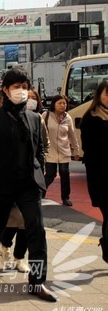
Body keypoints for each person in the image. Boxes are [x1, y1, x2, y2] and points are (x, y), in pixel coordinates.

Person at [0, 68, 57, 302]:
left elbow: (39, 149)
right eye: (16, 87)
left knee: (37, 231)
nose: (21, 91)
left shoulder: (34, 118)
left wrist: (39, 172)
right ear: (5, 89)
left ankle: (37, 282)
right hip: (0, 184)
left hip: (28, 185)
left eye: (24, 86)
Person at [79, 80, 108, 263]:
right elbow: (89, 151)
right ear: (99, 95)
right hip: (101, 177)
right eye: (107, 94)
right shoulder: (90, 118)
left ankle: (106, 245)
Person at [42, 95, 80, 206]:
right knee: (50, 174)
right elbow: (40, 133)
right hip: (50, 151)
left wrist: (76, 150)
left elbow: (72, 135)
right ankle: (40, 193)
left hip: (64, 151)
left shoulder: (67, 117)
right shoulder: (46, 115)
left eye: (64, 103)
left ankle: (65, 198)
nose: (63, 105)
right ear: (54, 104)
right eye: (60, 103)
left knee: (64, 174)